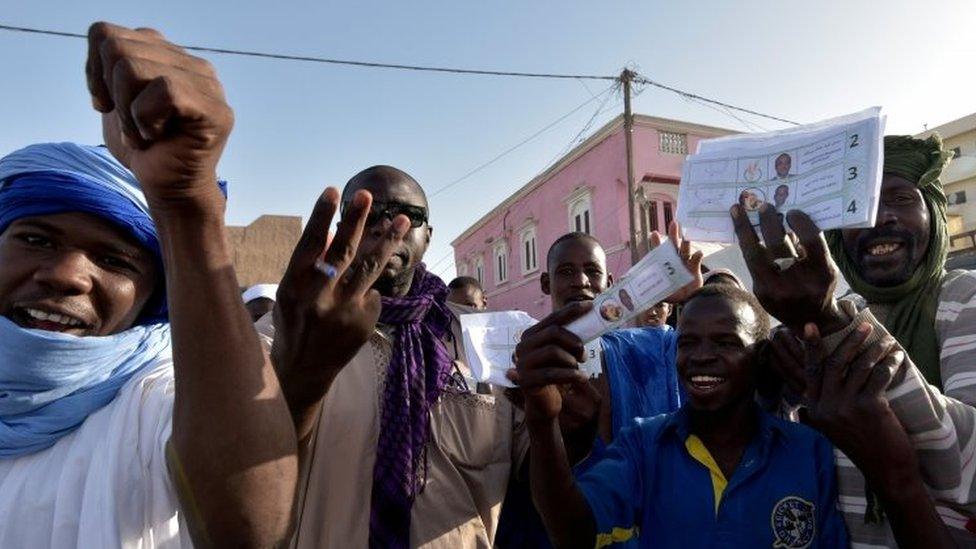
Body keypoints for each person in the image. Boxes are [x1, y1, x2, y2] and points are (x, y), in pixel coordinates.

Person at [0, 23, 298, 547]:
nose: (67, 274)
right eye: (37, 240)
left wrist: (187, 207)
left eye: (114, 259)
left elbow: (248, 527)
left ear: (150, 298)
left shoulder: (156, 398)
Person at [262, 166, 600, 548]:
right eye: (367, 215)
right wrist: (298, 378)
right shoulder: (284, 333)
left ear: (429, 237)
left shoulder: (489, 341)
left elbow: (535, 481)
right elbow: (239, 472)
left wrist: (563, 424)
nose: (387, 226)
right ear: (343, 228)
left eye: (409, 216)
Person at [730, 132, 975, 546]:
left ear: (934, 215)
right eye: (861, 207)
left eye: (901, 199)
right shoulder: (825, 309)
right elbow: (767, 449)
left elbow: (967, 465)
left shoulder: (963, 297)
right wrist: (767, 387)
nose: (881, 218)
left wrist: (829, 324)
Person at [513, 284, 850, 548]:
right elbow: (574, 535)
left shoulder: (809, 452)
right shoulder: (644, 444)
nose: (701, 357)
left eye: (726, 343)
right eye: (687, 342)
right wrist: (542, 422)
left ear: (760, 357)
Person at [496, 229, 699, 548]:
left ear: (609, 280)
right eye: (565, 271)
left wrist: (693, 302)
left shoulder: (652, 348)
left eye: (592, 270)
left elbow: (719, 356)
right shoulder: (516, 365)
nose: (580, 281)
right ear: (546, 283)